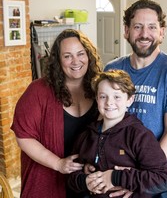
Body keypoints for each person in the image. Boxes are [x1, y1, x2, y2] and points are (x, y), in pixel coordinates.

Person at [104, 0, 167, 197]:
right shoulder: (112, 69)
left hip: (154, 178)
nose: (145, 34)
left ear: (162, 32)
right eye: (138, 27)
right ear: (126, 31)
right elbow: (104, 123)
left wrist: (137, 177)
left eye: (152, 27)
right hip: (115, 171)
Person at [11, 29, 102, 198]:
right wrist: (58, 164)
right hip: (48, 180)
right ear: (58, 61)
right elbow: (23, 136)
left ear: (89, 55)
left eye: (80, 53)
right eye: (67, 56)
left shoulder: (99, 89)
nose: (76, 61)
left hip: (84, 182)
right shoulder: (38, 91)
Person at [67, 69, 167, 197]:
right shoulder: (86, 135)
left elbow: (162, 179)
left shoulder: (139, 136)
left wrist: (115, 177)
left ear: (130, 99)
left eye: (117, 97)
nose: (109, 102)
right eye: (103, 96)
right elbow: (70, 177)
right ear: (97, 99)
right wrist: (84, 181)